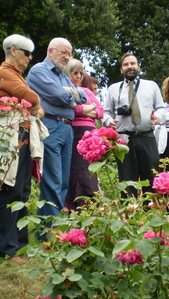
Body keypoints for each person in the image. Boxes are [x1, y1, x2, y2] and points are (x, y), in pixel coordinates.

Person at [0, 34, 43, 264]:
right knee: (9, 188)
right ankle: (7, 248)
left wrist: (34, 106)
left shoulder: (16, 76)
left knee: (22, 190)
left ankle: (19, 245)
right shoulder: (3, 73)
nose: (30, 58)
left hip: (21, 132)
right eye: (26, 53)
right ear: (13, 51)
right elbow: (33, 99)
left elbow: (35, 106)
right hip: (11, 134)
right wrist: (33, 106)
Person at [27, 37, 87, 220]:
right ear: (50, 51)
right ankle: (53, 228)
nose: (67, 57)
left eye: (69, 54)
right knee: (53, 179)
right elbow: (60, 96)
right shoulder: (39, 70)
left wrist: (69, 93)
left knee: (63, 180)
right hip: (50, 126)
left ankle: (46, 226)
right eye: (63, 52)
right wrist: (70, 95)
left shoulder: (62, 75)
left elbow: (83, 97)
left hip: (67, 128)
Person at [103, 53, 166, 197]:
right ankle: (128, 215)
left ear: (138, 66)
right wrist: (109, 122)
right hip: (124, 140)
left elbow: (162, 108)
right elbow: (106, 112)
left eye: (133, 63)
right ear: (121, 69)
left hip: (147, 137)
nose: (130, 66)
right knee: (126, 182)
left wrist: (157, 116)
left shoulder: (151, 86)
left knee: (151, 180)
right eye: (126, 64)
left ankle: (151, 214)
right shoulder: (113, 89)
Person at [63, 59, 103, 210]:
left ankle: (91, 204)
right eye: (75, 73)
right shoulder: (65, 90)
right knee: (78, 170)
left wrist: (85, 108)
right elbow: (72, 110)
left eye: (81, 73)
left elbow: (100, 111)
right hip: (75, 132)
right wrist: (87, 109)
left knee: (90, 168)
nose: (79, 76)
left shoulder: (86, 91)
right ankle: (78, 205)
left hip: (91, 134)